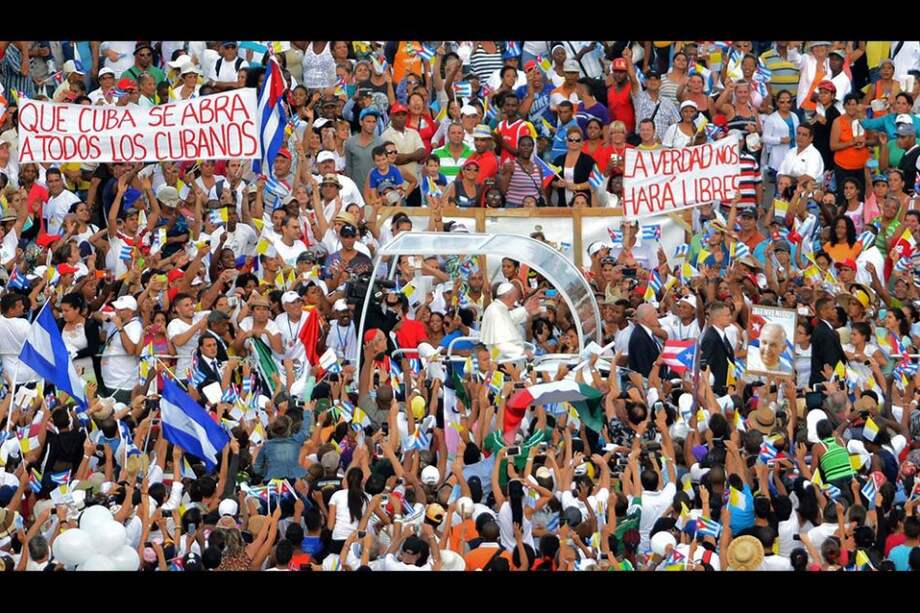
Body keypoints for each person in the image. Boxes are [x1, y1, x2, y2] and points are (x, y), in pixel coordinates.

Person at [479, 282, 540, 360]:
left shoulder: (498, 307)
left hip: (506, 357)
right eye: (515, 296)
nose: (516, 300)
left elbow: (510, 318)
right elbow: (501, 344)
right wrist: (521, 352)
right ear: (508, 296)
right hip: (502, 360)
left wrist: (526, 309)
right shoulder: (495, 312)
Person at [699, 301, 735, 394]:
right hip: (716, 391)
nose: (730, 318)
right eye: (727, 315)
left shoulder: (721, 336)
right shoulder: (710, 338)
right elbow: (704, 365)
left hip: (725, 389)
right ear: (717, 317)